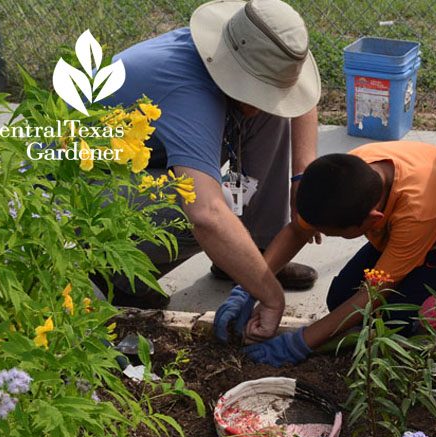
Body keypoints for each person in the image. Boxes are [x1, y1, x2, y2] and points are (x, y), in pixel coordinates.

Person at [97, 0, 320, 330]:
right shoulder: (189, 90)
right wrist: (272, 298)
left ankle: (254, 255)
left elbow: (298, 96)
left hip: (146, 158)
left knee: (269, 112)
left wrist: (303, 177)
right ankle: (117, 277)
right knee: (194, 207)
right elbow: (207, 216)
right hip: (79, 190)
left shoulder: (249, 46)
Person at [221, 141, 436, 366]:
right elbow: (297, 230)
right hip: (411, 236)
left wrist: (298, 344)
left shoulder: (417, 210)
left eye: (333, 234)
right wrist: (247, 289)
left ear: (373, 219)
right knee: (339, 299)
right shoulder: (349, 173)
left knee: (395, 321)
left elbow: (375, 291)